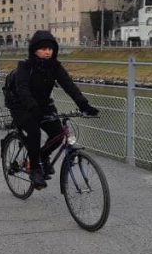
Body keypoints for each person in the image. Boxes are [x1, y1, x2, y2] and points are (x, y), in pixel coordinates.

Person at [5, 30, 99, 190]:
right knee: (34, 132)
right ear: (34, 49)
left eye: (50, 48)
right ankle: (35, 169)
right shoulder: (24, 67)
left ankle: (42, 155)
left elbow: (69, 85)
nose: (47, 51)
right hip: (20, 105)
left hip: (43, 104)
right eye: (43, 48)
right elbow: (22, 90)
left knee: (58, 132)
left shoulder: (55, 66)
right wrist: (32, 107)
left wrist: (84, 105)